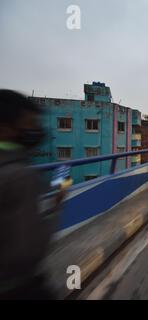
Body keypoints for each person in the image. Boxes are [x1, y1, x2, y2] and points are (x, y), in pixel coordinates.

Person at [0, 90, 64, 299]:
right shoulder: (20, 175)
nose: (36, 129)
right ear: (6, 128)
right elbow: (33, 248)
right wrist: (55, 206)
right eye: (29, 123)